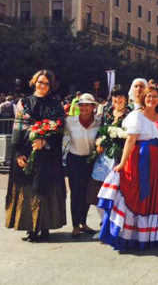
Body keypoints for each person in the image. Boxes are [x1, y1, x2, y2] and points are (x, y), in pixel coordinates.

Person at [97, 85, 158, 250]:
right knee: (135, 194)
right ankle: (131, 237)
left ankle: (152, 237)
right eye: (148, 96)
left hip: (157, 162)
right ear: (143, 98)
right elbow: (130, 141)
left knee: (156, 197)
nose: (151, 99)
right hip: (138, 159)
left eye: (155, 96)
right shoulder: (136, 116)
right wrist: (122, 163)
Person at [5, 70, 66, 242]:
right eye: (40, 82)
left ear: (50, 85)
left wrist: (45, 142)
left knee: (47, 190)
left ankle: (45, 226)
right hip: (27, 151)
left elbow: (59, 128)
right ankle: (31, 228)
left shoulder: (56, 105)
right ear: (34, 82)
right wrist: (18, 153)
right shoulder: (24, 103)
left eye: (46, 83)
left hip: (48, 155)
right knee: (29, 190)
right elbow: (18, 127)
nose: (42, 85)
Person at [86, 85, 132, 223]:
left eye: (120, 96)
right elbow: (101, 130)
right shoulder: (107, 111)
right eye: (115, 96)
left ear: (126, 99)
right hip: (104, 156)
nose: (117, 99)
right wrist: (99, 141)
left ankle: (114, 220)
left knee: (117, 190)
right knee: (96, 188)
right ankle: (104, 218)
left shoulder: (130, 114)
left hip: (121, 155)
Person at [64, 93, 101, 238]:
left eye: (87, 105)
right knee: (76, 193)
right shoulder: (69, 121)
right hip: (75, 160)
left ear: (93, 107)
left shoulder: (99, 121)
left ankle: (83, 222)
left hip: (91, 160)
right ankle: (75, 225)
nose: (84, 107)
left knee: (88, 192)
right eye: (81, 105)